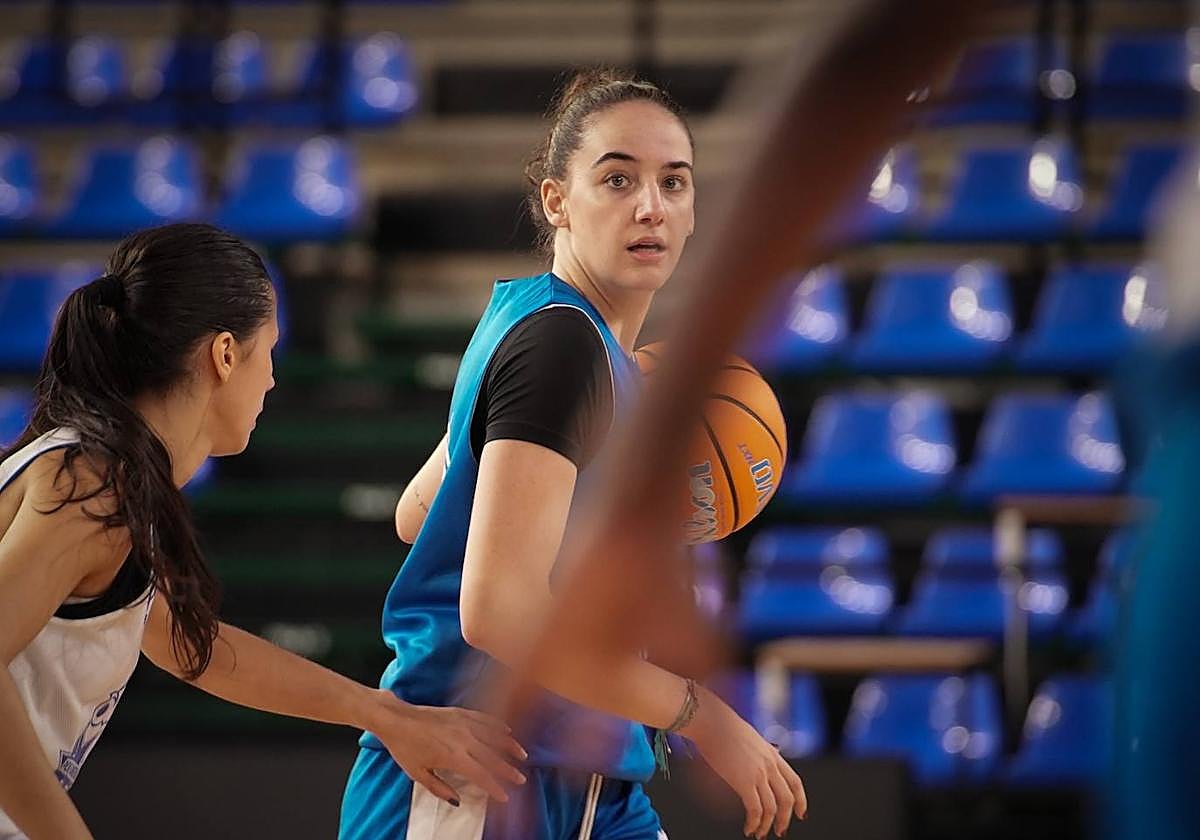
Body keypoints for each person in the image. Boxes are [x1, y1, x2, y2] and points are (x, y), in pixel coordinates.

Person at [338, 69, 807, 840]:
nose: (650, 205)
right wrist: (704, 716)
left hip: (587, 782)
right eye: (617, 178)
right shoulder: (562, 346)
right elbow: (494, 611)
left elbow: (416, 512)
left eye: (674, 183)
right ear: (557, 200)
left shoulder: (542, 329)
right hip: (478, 778)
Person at [0, 223, 526, 840]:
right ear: (224, 355)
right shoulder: (93, 484)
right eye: (268, 351)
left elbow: (192, 647)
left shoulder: (107, 474)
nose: (273, 380)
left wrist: (382, 714)